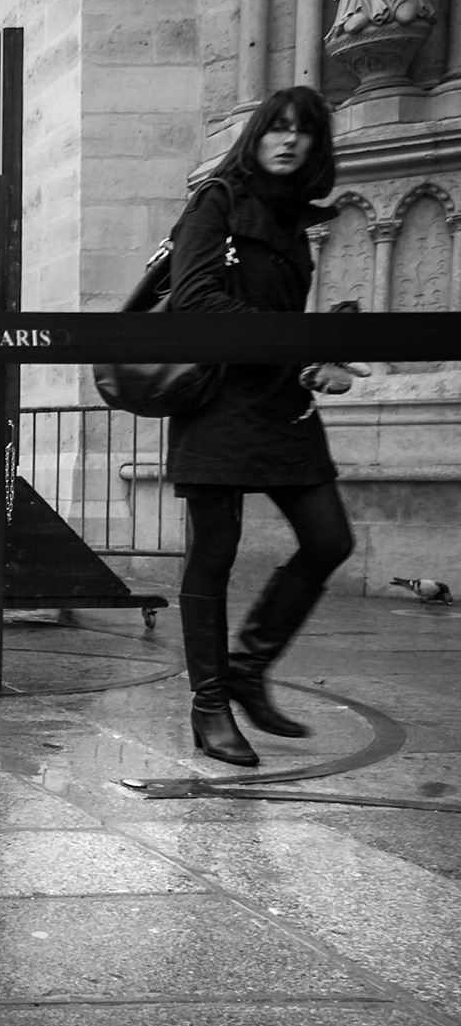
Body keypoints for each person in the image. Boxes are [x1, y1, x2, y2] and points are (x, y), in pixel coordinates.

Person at [166, 85, 367, 768]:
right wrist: (299, 348)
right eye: (276, 127)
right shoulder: (217, 201)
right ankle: (210, 704)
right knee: (214, 554)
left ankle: (248, 669)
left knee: (329, 539)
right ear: (255, 134)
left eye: (301, 130)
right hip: (218, 401)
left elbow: (280, 310)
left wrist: (321, 353)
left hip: (281, 404)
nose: (288, 139)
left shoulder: (292, 218)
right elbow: (196, 302)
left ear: (316, 144)